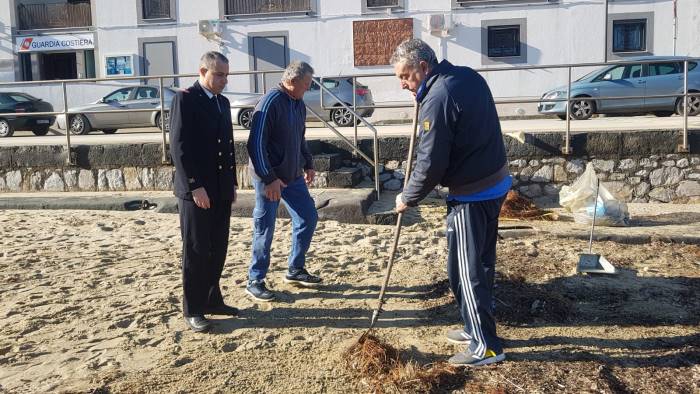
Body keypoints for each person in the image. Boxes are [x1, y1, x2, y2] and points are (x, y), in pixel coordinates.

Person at [391, 39, 512, 366]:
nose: (402, 84)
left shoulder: (437, 97)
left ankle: (485, 346)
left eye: (405, 76)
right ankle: (476, 327)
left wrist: (408, 197)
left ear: (423, 68)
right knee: (482, 263)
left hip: (471, 194)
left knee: (464, 270)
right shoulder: (466, 76)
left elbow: (431, 164)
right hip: (495, 181)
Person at [170, 51, 238, 332]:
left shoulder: (222, 102)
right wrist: (195, 185)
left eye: (226, 75)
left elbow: (227, 146)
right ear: (203, 72)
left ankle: (212, 299)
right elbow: (179, 147)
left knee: (218, 247)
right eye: (218, 74)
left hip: (220, 188)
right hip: (196, 190)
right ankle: (193, 308)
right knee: (197, 250)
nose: (223, 80)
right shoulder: (186, 99)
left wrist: (232, 182)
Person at [245, 60, 321, 302]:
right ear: (292, 81)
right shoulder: (270, 102)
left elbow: (300, 136)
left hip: (292, 175)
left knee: (308, 217)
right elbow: (255, 144)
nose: (308, 89)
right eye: (306, 84)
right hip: (268, 177)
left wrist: (307, 162)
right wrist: (269, 179)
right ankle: (255, 279)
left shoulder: (298, 103)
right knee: (265, 226)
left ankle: (295, 269)